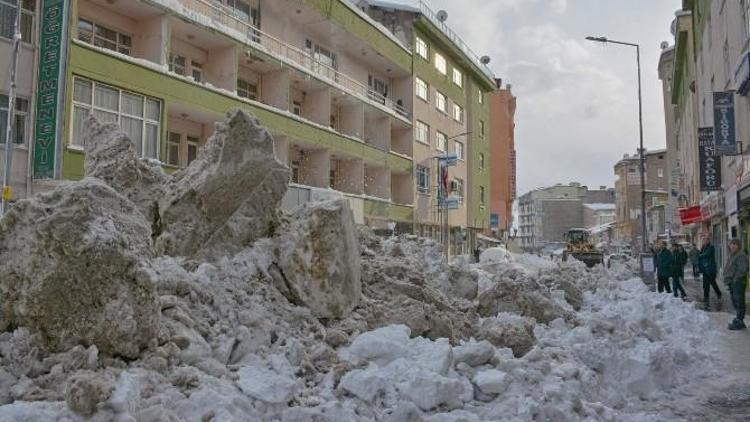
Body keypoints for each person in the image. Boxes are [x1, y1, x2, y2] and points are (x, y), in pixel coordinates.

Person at [723, 239, 748, 330]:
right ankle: (738, 318)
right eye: (731, 244)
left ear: (738, 245)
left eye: (735, 244)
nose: (732, 246)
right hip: (732, 282)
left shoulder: (741, 255)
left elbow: (742, 269)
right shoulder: (733, 255)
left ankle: (740, 320)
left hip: (738, 282)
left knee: (739, 300)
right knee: (735, 300)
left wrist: (735, 279)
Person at [698, 235, 722, 310]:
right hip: (705, 269)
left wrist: (700, 255)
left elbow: (705, 255)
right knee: (705, 284)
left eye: (705, 240)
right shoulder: (703, 247)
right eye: (703, 240)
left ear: (708, 241)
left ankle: (719, 293)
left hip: (710, 269)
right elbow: (700, 255)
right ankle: (706, 298)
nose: (703, 241)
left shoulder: (711, 247)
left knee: (712, 282)